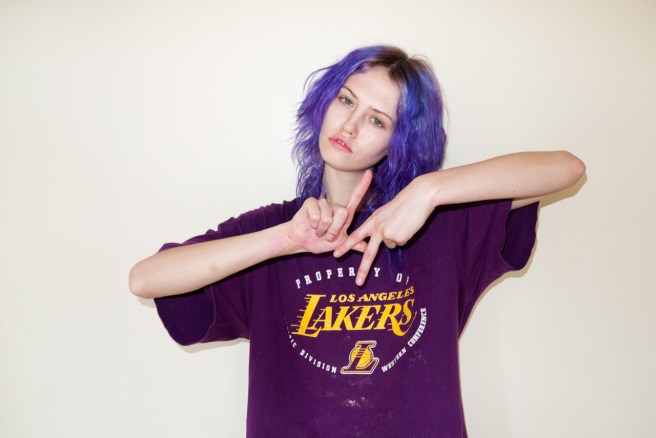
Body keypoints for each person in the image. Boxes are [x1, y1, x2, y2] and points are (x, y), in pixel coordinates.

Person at [130, 46, 585, 437]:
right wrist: (283, 240)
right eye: (346, 100)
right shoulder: (277, 229)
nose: (349, 126)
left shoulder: (441, 227)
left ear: (400, 141)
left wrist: (430, 190)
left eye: (376, 120)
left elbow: (566, 169)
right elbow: (146, 279)